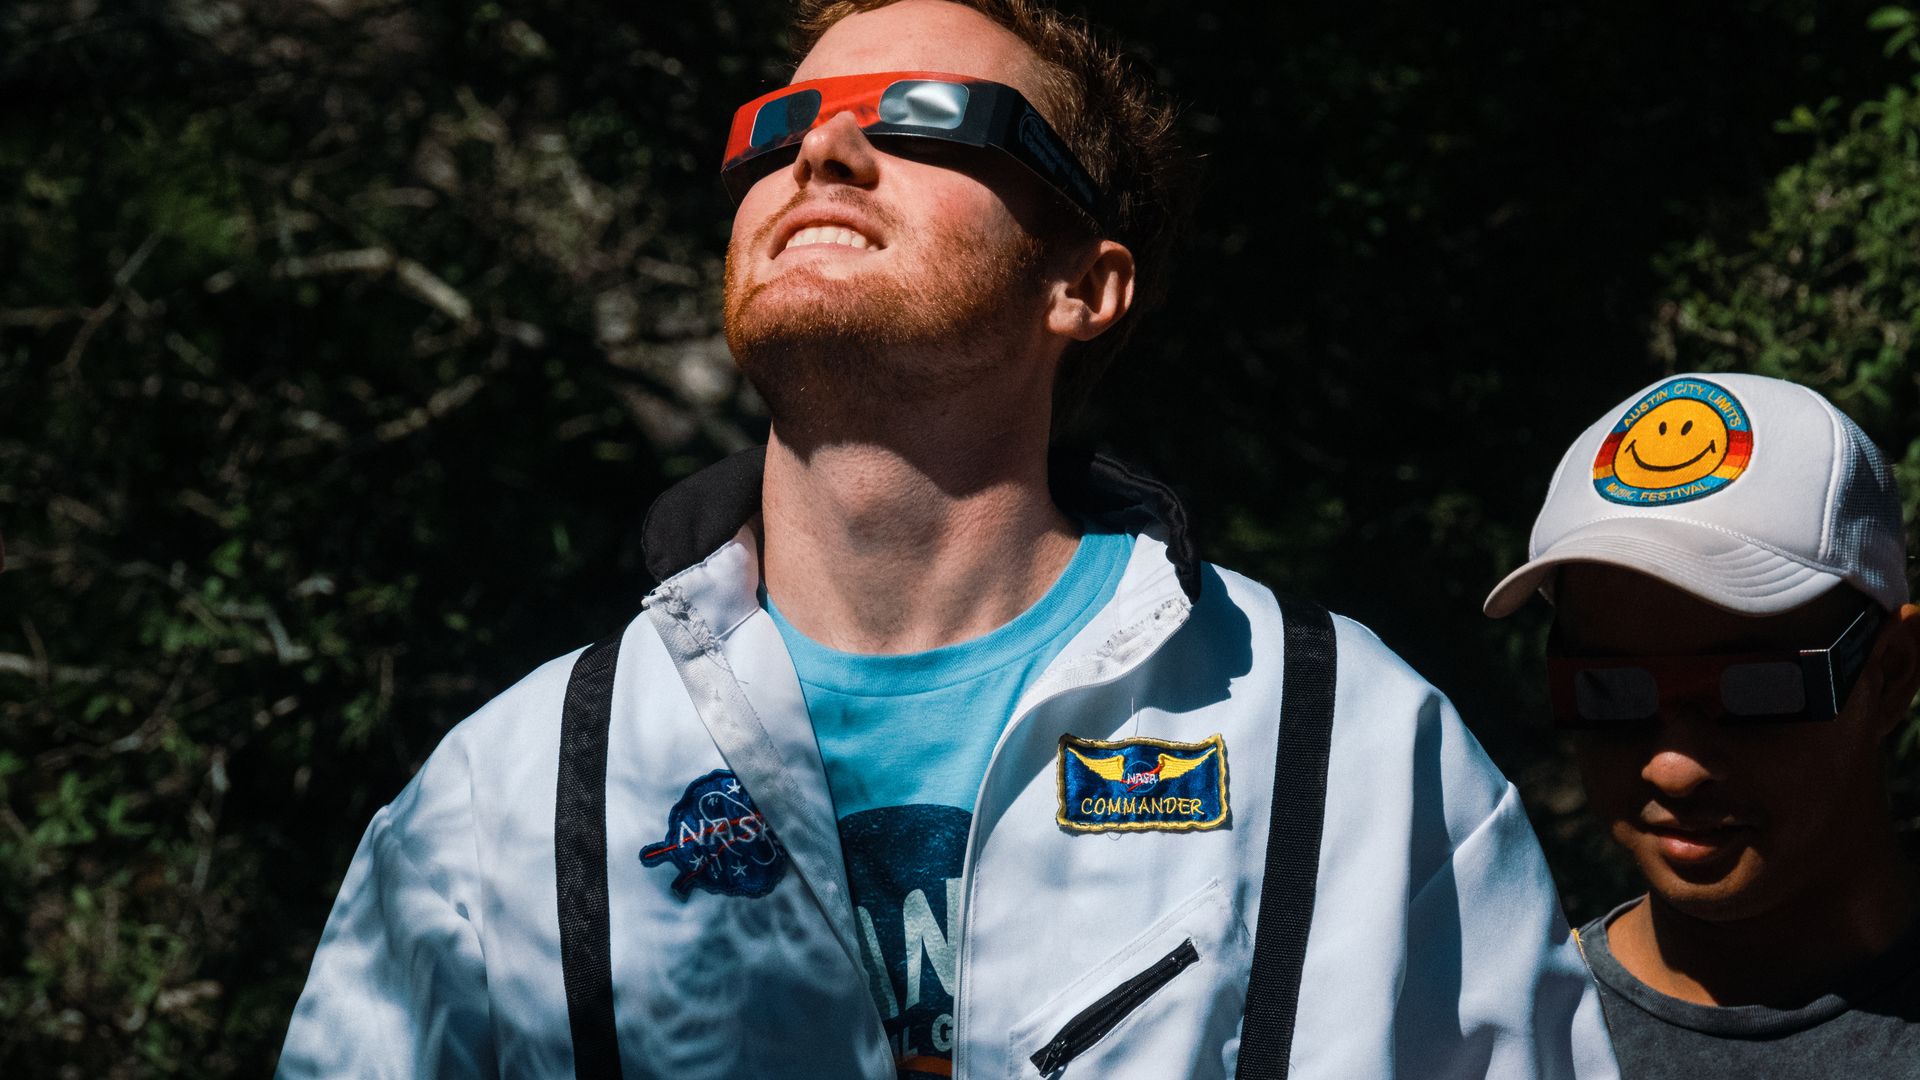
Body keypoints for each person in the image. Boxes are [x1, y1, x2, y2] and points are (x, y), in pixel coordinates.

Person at [277, 2, 1617, 1077]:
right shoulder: (508, 792)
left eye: (930, 121)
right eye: (782, 123)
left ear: (1084, 286)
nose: (823, 154)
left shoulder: (1353, 749)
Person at [1485, 372, 1920, 1078]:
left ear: (1891, 675)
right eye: (1609, 690)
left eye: (1754, 688)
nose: (1672, 766)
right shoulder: (1502, 1041)